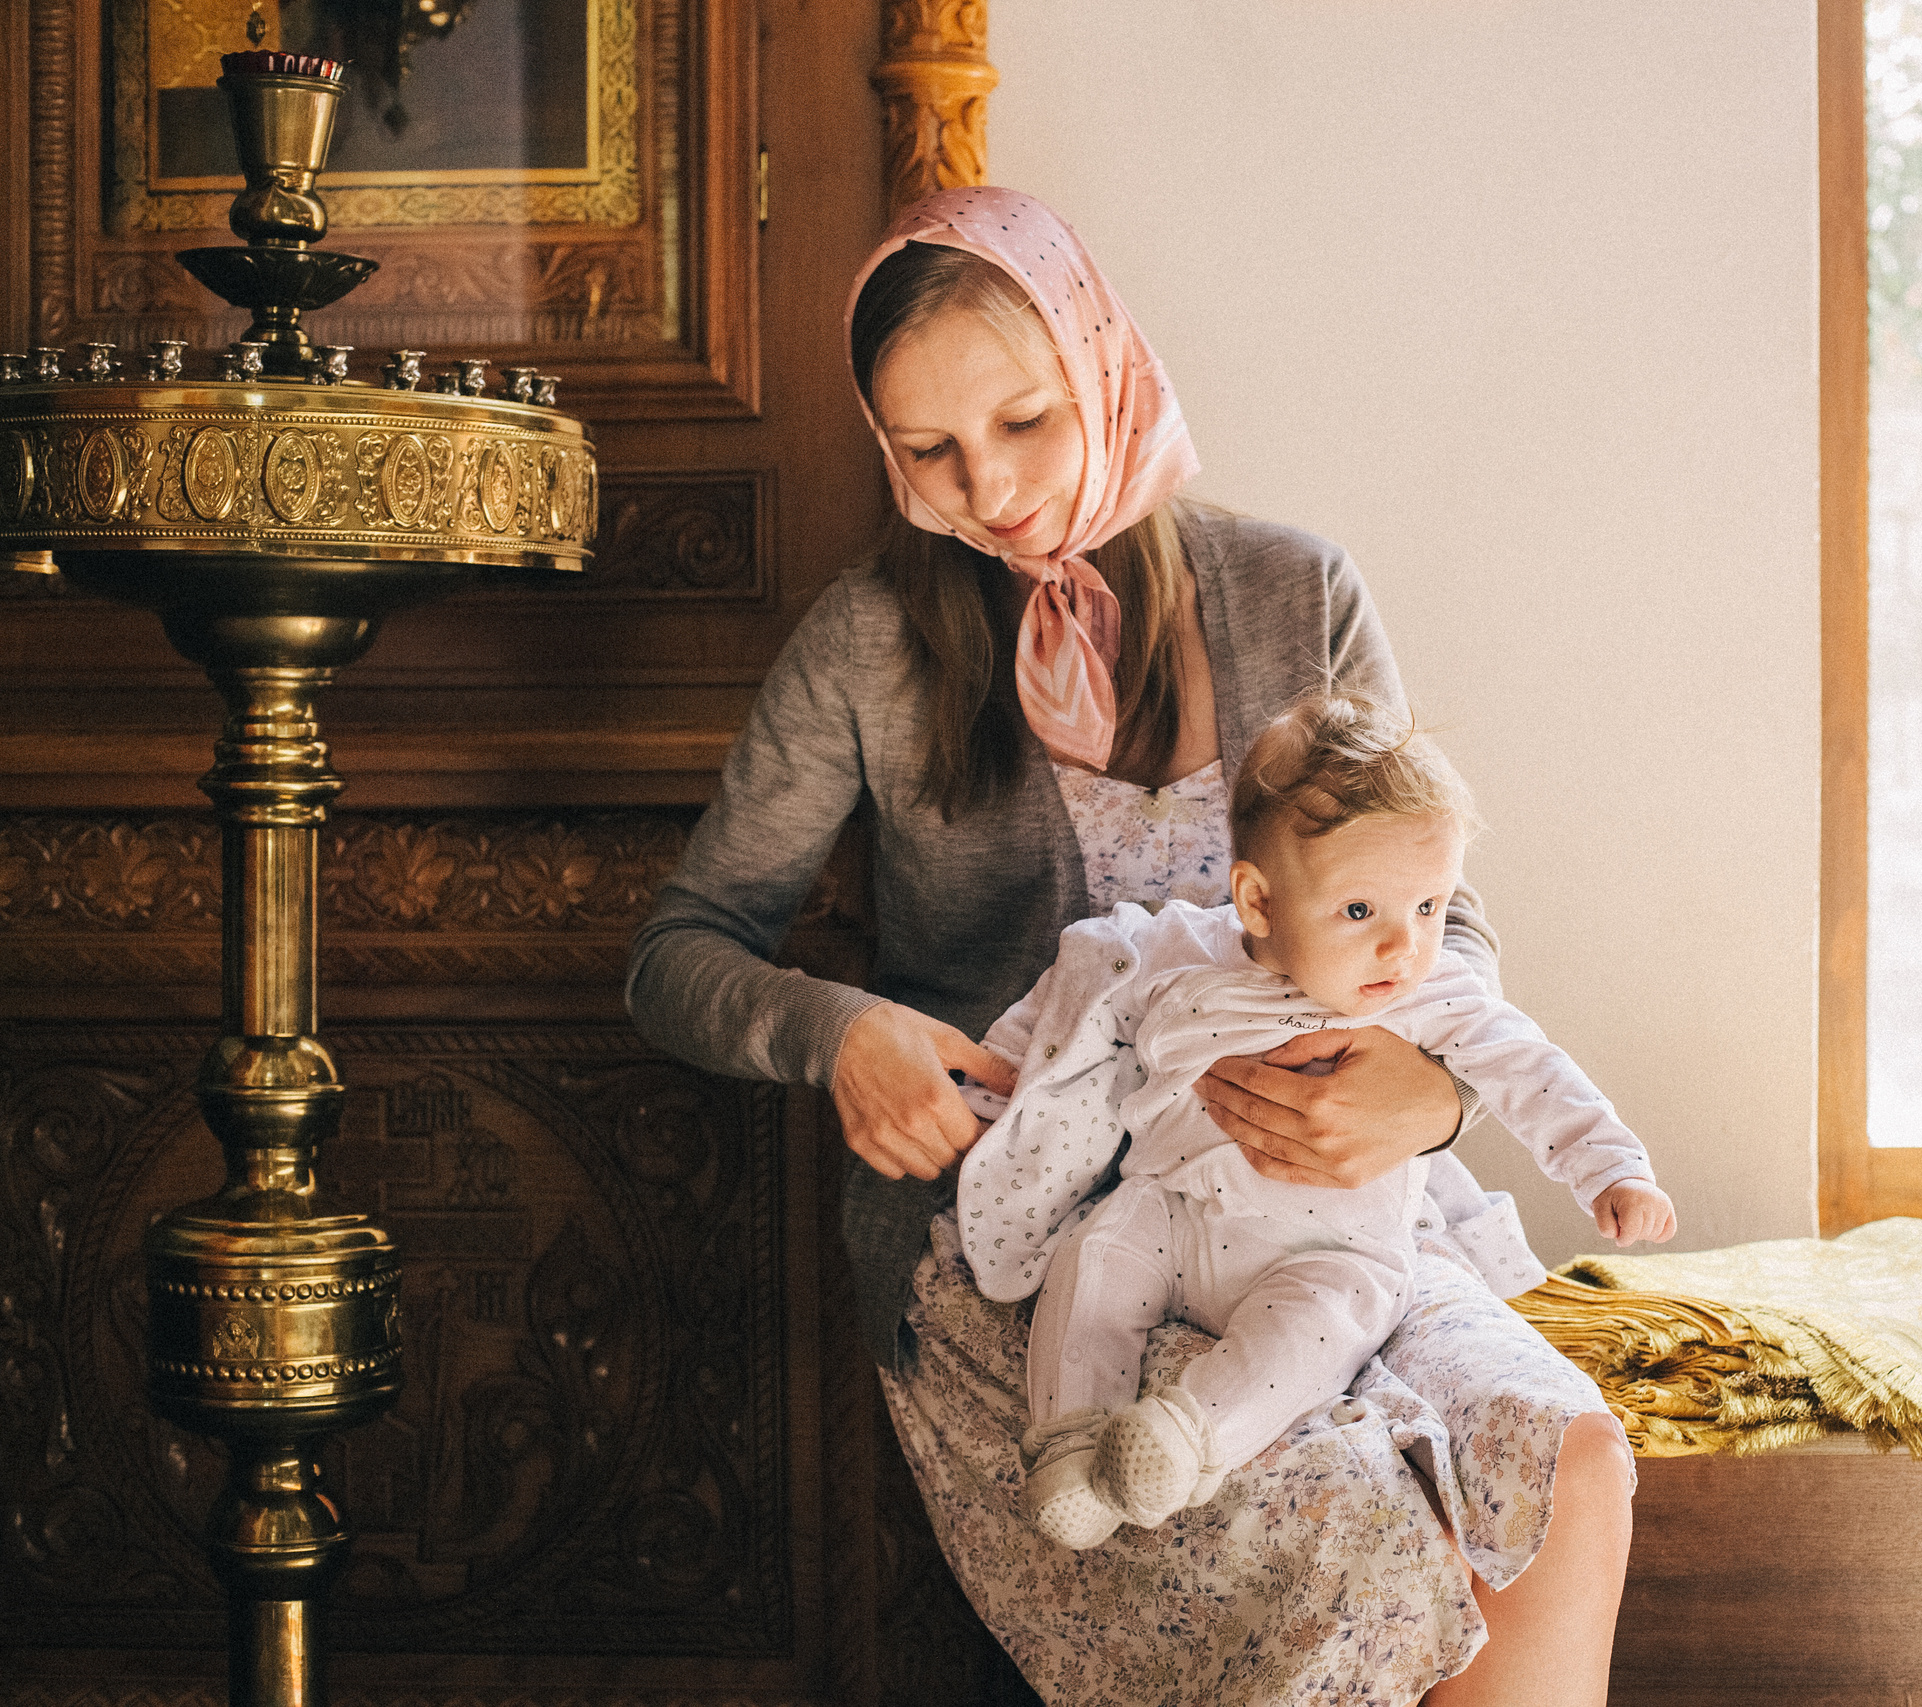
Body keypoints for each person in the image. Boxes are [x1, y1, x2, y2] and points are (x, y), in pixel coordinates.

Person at [627, 185, 1643, 1706]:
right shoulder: (867, 640)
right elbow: (678, 952)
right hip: (1035, 1246)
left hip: (1336, 1216)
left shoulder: (1300, 593)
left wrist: (1431, 1095)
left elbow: (1451, 917)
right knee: (1351, 1540)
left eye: (1024, 420)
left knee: (1568, 1465)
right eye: (927, 449)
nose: (989, 488)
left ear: (1101, 363)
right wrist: (839, 1030)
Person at [963, 693, 1677, 1552]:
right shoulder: (1173, 953)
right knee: (1096, 1258)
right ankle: (1071, 1440)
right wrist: (984, 1092)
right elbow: (1064, 1012)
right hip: (1171, 1213)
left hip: (1327, 1252)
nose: (1404, 947)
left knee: (1323, 1326)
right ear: (1258, 903)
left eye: (1429, 907)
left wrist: (1614, 1168)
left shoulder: (1428, 992)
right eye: (1360, 912)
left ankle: (1185, 1437)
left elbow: (1530, 1067)